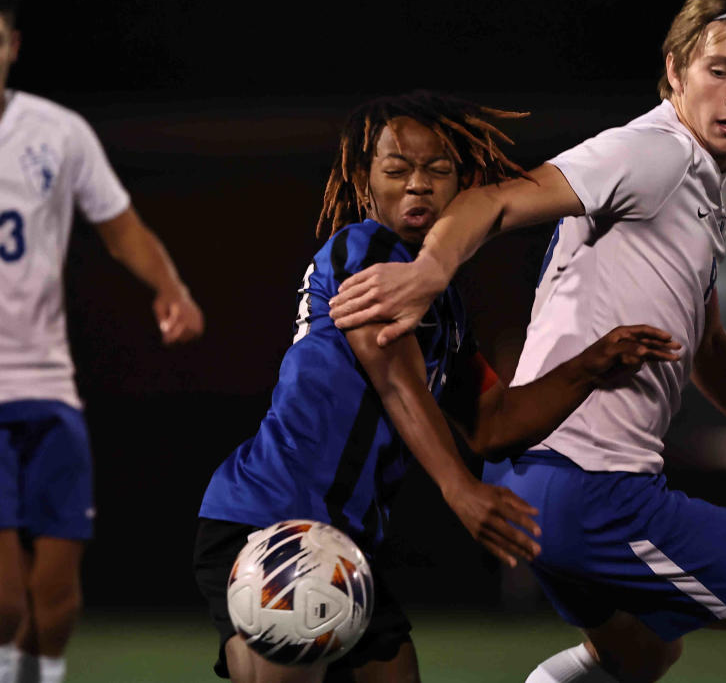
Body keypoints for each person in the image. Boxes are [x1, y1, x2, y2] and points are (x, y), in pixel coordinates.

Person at [327, 0, 726, 683]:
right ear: (675, 71)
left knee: (639, 652)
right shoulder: (655, 152)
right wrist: (429, 273)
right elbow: (494, 202)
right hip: (589, 488)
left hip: (541, 483)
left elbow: (707, 348)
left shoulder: (711, 184)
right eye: (720, 71)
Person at [193, 91, 682, 683]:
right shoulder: (364, 247)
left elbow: (493, 423)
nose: (418, 185)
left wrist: (593, 364)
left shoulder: (442, 307)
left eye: (438, 170)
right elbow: (394, 379)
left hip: (346, 542)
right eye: (397, 170)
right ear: (364, 178)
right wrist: (459, 491)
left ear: (463, 183)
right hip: (273, 516)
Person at [0, 0, 205, 683]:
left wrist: (169, 287)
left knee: (54, 591)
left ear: (12, 45)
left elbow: (121, 229)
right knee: (2, 597)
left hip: (50, 386)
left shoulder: (57, 133)